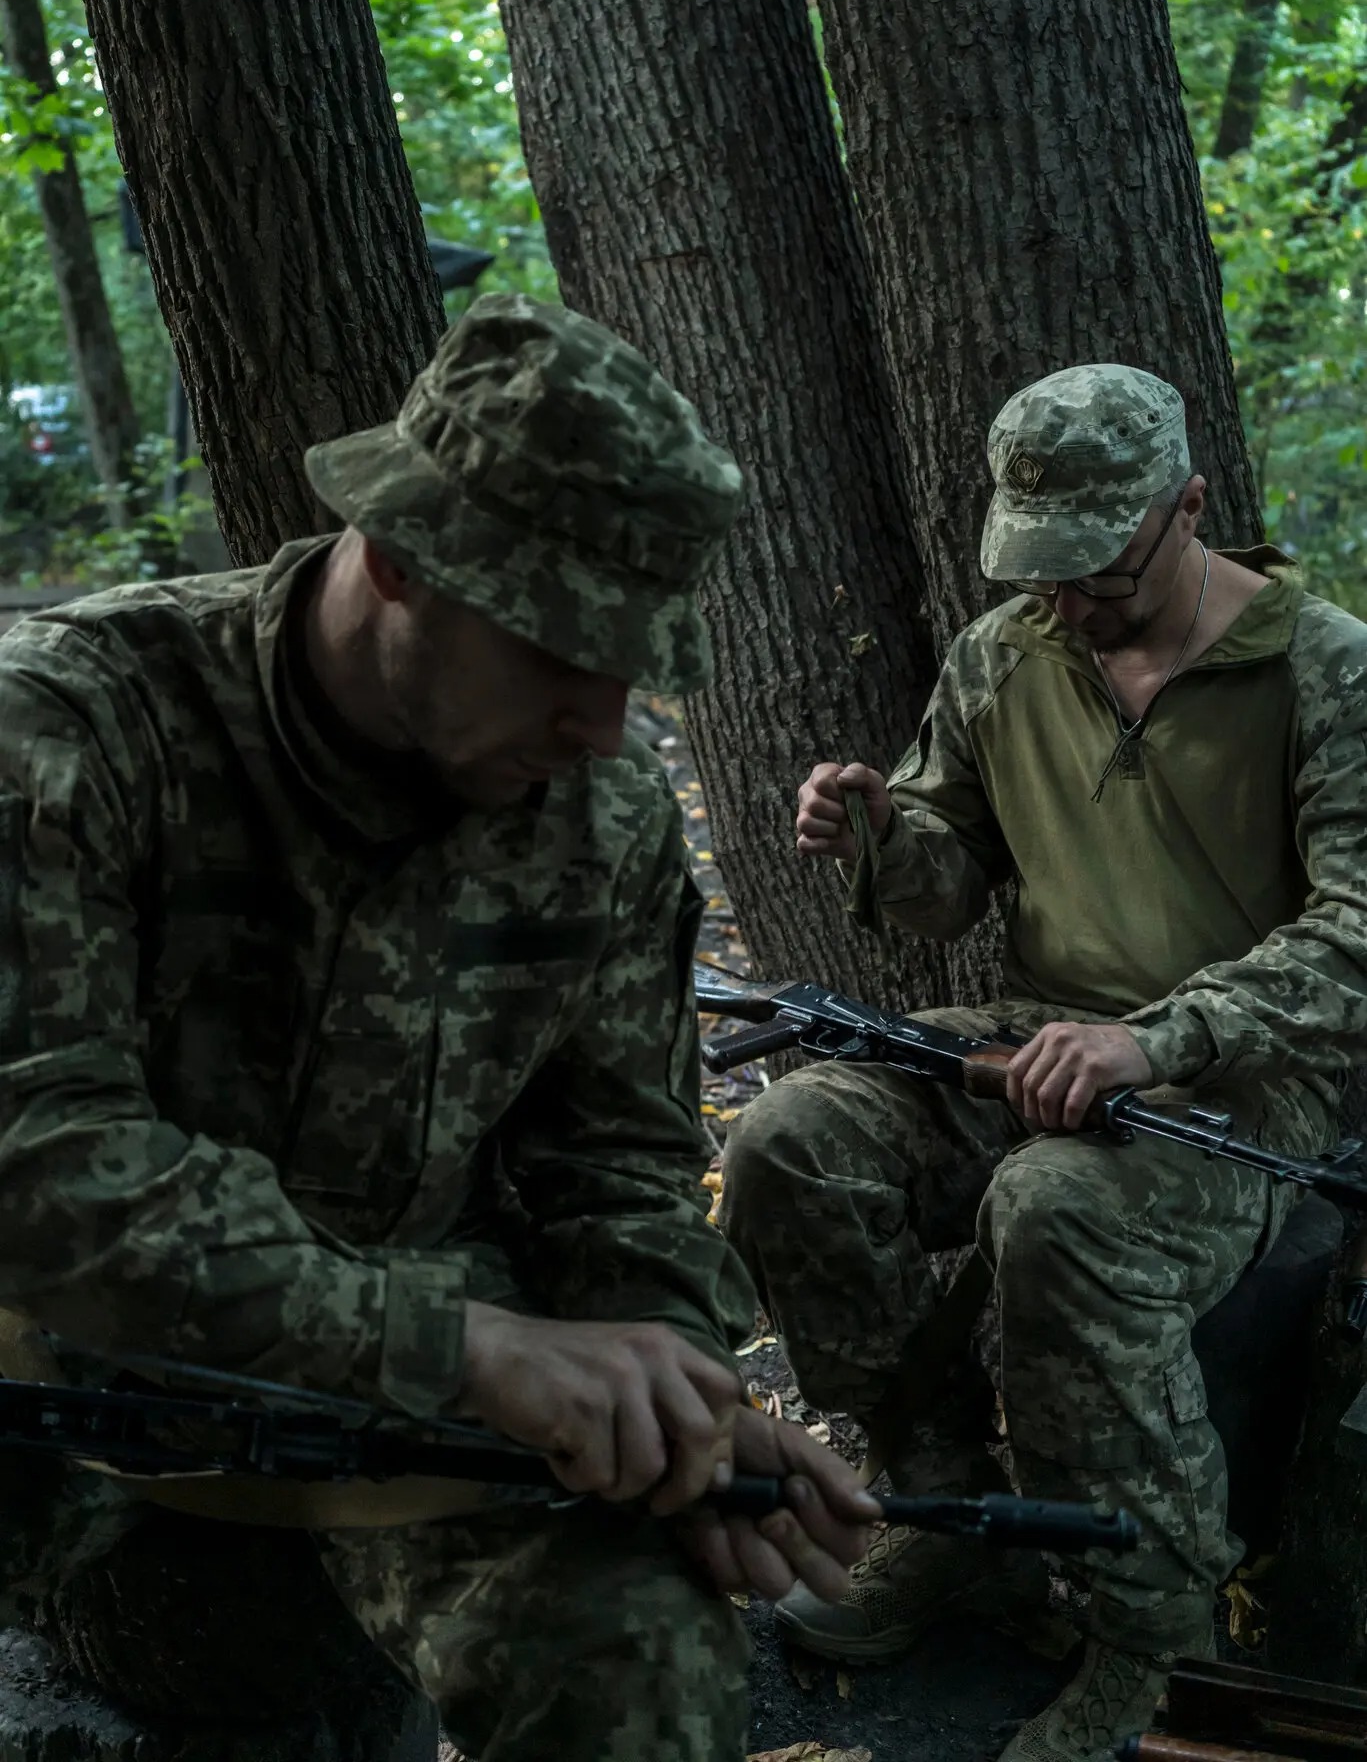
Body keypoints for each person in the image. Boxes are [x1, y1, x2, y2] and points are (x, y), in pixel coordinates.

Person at [0, 295, 874, 1762]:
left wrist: (673, 1390)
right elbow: (38, 1164)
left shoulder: (596, 821)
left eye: (634, 668)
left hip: (430, 1453)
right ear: (399, 559)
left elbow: (618, 1166)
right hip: (92, 1424)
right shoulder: (75, 730)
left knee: (647, 1672)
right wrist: (470, 1349)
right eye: (561, 655)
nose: (604, 726)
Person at [720, 363, 1367, 1762]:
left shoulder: (1325, 669)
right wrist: (881, 832)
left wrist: (1164, 1036)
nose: (1068, 604)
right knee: (790, 1145)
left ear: (1188, 511)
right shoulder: (1005, 655)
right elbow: (948, 883)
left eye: (1099, 575)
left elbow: (1361, 936)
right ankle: (950, 1506)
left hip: (1246, 1084)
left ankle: (1152, 1630)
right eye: (1042, 573)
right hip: (1031, 1036)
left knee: (1057, 1210)